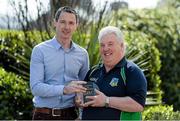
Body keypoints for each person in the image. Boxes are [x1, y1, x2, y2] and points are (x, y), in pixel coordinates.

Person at [30, 6, 89, 120]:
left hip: (71, 115)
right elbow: (36, 87)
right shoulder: (40, 50)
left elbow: (85, 88)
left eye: (71, 23)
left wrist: (81, 115)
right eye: (63, 22)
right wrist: (64, 89)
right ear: (55, 23)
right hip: (44, 115)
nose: (67, 27)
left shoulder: (83, 54)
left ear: (76, 26)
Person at [78, 26, 147, 120]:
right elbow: (82, 96)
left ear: (121, 46)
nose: (105, 48)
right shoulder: (93, 72)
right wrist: (79, 99)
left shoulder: (132, 71)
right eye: (102, 45)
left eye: (110, 44)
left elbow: (138, 104)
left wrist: (106, 101)